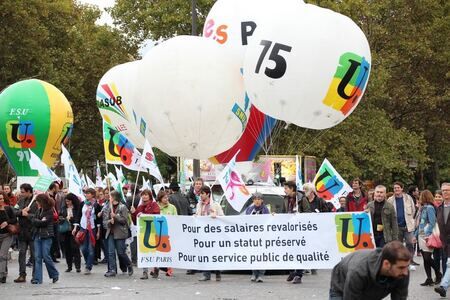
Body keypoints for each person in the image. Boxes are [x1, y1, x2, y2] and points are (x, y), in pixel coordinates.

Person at [329, 241, 410, 299]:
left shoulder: (402, 272)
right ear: (386, 264)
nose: (406, 272)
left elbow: (400, 297)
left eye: (407, 266)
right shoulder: (358, 272)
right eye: (401, 268)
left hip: (370, 289)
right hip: (342, 285)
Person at [284, 181, 311, 284]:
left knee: (299, 252)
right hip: (289, 230)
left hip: (299, 230)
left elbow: (308, 213)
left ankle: (299, 275)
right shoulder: (285, 199)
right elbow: (283, 212)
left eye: (286, 188)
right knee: (290, 251)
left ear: (292, 189)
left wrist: (300, 216)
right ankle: (292, 271)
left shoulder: (302, 199)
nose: (284, 190)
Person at [102, 191, 133, 277]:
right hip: (110, 233)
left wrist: (115, 216)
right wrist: (109, 221)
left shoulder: (122, 207)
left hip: (120, 233)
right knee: (111, 252)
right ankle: (112, 270)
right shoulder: (108, 207)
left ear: (115, 197)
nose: (109, 198)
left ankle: (129, 264)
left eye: (110, 196)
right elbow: (104, 222)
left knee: (121, 252)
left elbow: (124, 221)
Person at [387, 181, 418, 266]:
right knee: (398, 245)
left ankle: (410, 260)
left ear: (402, 188)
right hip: (396, 226)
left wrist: (410, 219)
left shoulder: (408, 198)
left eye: (398, 188)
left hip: (407, 225)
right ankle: (400, 260)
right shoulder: (390, 200)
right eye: (395, 188)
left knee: (410, 243)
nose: (396, 189)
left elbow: (413, 210)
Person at [196, 185, 224, 282]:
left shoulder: (215, 205)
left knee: (214, 253)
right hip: (203, 233)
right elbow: (198, 215)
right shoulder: (199, 205)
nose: (201, 195)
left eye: (203, 193)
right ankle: (206, 274)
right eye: (200, 193)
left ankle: (217, 272)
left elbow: (222, 217)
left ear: (208, 194)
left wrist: (216, 216)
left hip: (213, 234)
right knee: (204, 253)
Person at [132, 189, 160, 280]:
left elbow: (156, 215)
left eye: (146, 195)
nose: (144, 196)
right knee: (144, 251)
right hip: (143, 232)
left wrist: (144, 214)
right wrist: (133, 213)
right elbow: (135, 220)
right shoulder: (139, 207)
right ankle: (145, 272)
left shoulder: (154, 205)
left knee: (154, 251)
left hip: (153, 231)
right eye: (143, 195)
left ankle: (156, 268)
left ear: (150, 196)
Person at [415, 190, 441, 286]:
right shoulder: (422, 208)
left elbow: (432, 222)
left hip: (426, 235)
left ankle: (438, 273)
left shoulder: (429, 208)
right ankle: (429, 278)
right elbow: (419, 224)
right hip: (420, 235)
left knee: (427, 257)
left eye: (421, 196)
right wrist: (415, 235)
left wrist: (427, 233)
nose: (420, 198)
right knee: (425, 259)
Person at [31, 194, 59, 284]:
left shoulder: (49, 210)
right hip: (37, 236)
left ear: (41, 201)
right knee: (37, 257)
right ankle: (37, 279)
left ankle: (54, 274)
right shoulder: (38, 210)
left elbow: (45, 222)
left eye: (37, 201)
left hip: (46, 236)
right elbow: (33, 220)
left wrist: (37, 221)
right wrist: (38, 221)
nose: (36, 203)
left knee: (46, 256)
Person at [14, 183, 38, 283]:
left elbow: (37, 216)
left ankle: (35, 276)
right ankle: (22, 275)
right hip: (22, 232)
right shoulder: (21, 200)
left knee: (34, 255)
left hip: (32, 231)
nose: (21, 194)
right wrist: (21, 212)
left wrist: (27, 214)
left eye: (23, 192)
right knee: (22, 253)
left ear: (29, 191)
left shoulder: (36, 201)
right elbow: (14, 210)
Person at [151, 190, 177, 278]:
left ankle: (169, 269)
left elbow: (176, 218)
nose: (167, 199)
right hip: (157, 232)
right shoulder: (155, 206)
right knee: (156, 251)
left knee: (167, 251)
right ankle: (155, 269)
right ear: (160, 198)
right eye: (164, 197)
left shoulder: (172, 207)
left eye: (167, 197)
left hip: (168, 232)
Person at [73, 188, 99, 275]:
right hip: (83, 227)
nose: (87, 195)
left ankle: (88, 267)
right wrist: (75, 227)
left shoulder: (96, 205)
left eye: (89, 193)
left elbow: (98, 219)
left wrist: (98, 231)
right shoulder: (82, 204)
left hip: (92, 228)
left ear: (92, 195)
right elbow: (78, 215)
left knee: (91, 249)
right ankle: (88, 261)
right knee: (83, 248)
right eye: (86, 193)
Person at [245, 192, 269, 283]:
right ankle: (254, 273)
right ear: (253, 200)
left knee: (262, 256)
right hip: (252, 237)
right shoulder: (249, 209)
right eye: (255, 199)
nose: (257, 201)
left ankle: (261, 275)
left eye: (259, 199)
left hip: (262, 237)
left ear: (262, 200)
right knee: (253, 255)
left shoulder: (265, 209)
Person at [434, 183, 450, 297]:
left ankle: (443, 286)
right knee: (447, 264)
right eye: (443, 190)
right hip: (445, 242)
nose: (445, 192)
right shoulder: (439, 208)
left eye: (447, 190)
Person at [59, 193, 81, 273]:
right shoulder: (63, 208)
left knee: (75, 248)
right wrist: (64, 218)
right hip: (65, 231)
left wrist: (72, 219)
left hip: (74, 229)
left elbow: (78, 218)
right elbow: (59, 217)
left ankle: (78, 266)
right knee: (67, 249)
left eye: (69, 201)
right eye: (66, 201)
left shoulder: (77, 208)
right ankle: (69, 266)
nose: (67, 203)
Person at [0, 191, 18, 283]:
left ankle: (2, 275)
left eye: (2, 199)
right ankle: (4, 271)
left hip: (7, 235)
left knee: (2, 255)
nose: (1, 200)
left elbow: (14, 219)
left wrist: (7, 222)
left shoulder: (8, 208)